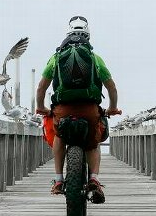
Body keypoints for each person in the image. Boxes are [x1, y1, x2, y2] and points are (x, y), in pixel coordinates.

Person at [35, 16, 119, 203]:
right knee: (93, 141)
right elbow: (111, 87)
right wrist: (112, 108)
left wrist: (41, 107)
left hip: (62, 110)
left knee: (59, 135)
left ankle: (58, 180)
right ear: (88, 38)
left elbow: (41, 87)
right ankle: (94, 179)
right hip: (89, 110)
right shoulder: (95, 58)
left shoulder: (56, 58)